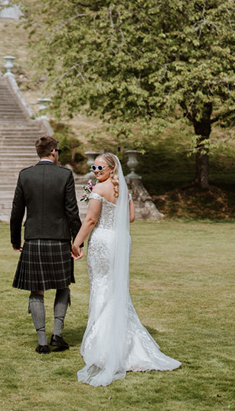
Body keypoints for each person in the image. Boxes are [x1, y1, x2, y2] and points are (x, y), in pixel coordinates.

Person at [71, 153, 180, 386]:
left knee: (101, 286)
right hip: (119, 242)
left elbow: (90, 220)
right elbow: (130, 218)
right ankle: (124, 342)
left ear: (111, 168)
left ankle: (102, 344)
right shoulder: (123, 190)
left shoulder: (99, 190)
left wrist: (77, 242)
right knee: (115, 287)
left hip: (102, 242)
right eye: (93, 166)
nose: (96, 169)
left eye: (100, 166)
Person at [11, 136, 82, 354]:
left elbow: (16, 212)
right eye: (58, 151)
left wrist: (16, 240)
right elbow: (72, 212)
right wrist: (76, 241)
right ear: (53, 152)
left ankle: (42, 342)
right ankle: (57, 335)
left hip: (33, 240)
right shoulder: (64, 175)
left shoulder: (25, 175)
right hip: (59, 240)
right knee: (62, 285)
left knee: (36, 289)